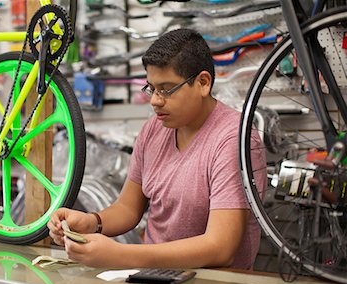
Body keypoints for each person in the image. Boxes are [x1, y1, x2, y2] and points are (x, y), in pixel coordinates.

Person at [48, 28, 267, 270]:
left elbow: (220, 248)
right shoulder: (154, 130)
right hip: (155, 281)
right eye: (151, 88)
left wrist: (122, 255)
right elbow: (128, 208)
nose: (155, 100)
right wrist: (92, 222)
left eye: (166, 89)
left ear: (203, 83)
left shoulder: (233, 140)